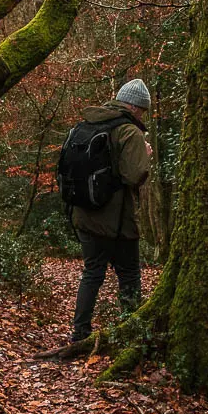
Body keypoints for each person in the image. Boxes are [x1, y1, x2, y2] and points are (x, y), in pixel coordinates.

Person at [70, 78, 152, 343]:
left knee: (92, 272)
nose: (142, 115)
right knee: (129, 274)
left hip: (84, 213)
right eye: (143, 110)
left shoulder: (88, 123)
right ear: (136, 107)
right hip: (117, 220)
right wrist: (146, 155)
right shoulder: (129, 131)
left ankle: (80, 332)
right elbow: (134, 175)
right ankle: (131, 333)